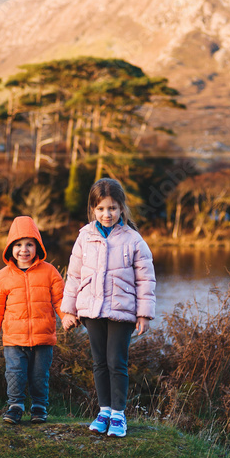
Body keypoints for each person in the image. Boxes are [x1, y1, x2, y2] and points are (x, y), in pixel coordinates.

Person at [60, 178, 156, 438]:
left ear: (122, 208)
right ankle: (103, 410)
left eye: (112, 208)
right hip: (91, 311)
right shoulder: (84, 237)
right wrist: (68, 311)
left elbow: (145, 279)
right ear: (93, 209)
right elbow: (74, 276)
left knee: (117, 362)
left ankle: (118, 415)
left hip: (121, 310)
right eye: (101, 208)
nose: (107, 214)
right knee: (99, 362)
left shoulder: (133, 240)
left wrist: (144, 314)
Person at [0, 216, 65, 425]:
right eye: (18, 245)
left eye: (30, 244)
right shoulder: (3, 277)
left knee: (39, 376)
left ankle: (39, 407)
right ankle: (15, 406)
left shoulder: (50, 272)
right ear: (10, 248)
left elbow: (61, 300)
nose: (24, 250)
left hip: (43, 337)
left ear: (38, 246)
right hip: (13, 339)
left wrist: (68, 317)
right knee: (15, 373)